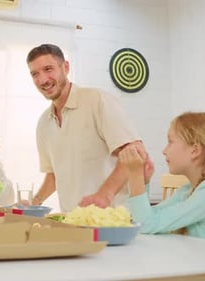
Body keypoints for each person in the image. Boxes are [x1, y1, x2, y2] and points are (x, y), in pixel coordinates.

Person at [26, 43, 144, 212]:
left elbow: (135, 151)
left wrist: (105, 194)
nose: (43, 80)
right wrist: (34, 202)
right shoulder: (44, 123)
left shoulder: (97, 100)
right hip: (72, 223)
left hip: (112, 221)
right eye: (35, 74)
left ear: (65, 67)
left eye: (48, 69)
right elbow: (54, 175)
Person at [119, 112, 205, 242]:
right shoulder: (187, 190)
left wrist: (135, 176)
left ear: (195, 151)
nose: (164, 150)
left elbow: (144, 224)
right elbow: (150, 218)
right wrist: (143, 182)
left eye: (170, 142)